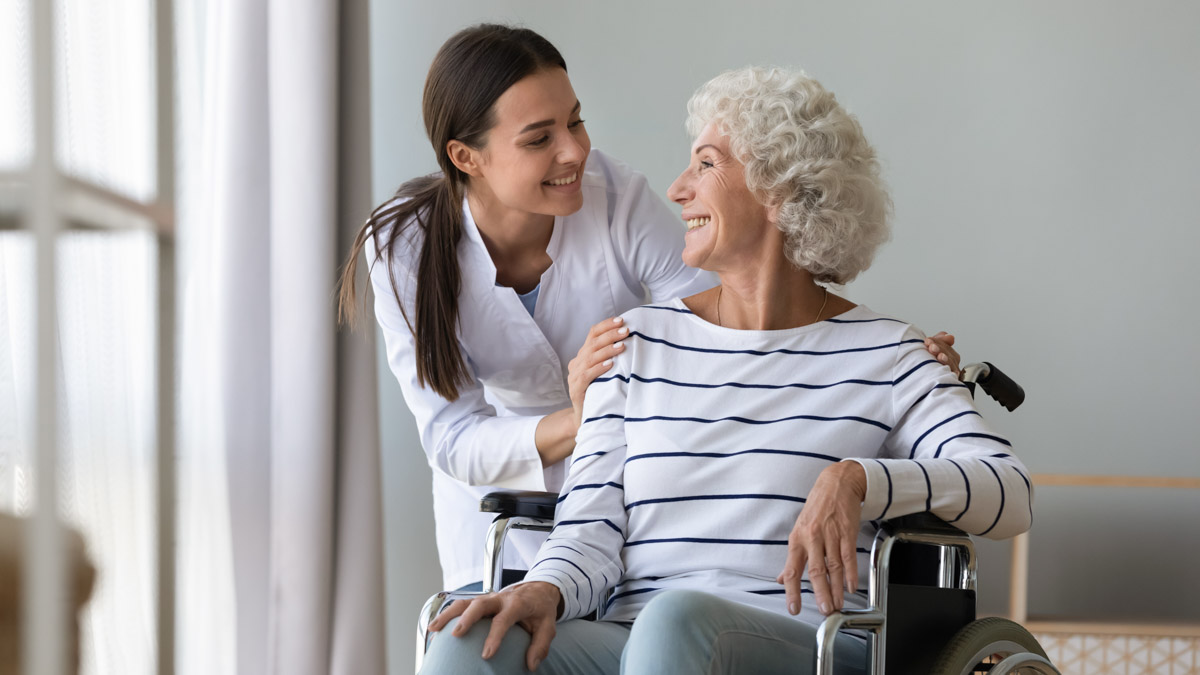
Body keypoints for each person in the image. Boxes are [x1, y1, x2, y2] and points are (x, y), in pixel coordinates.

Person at [420, 67, 1033, 675]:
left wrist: (860, 480)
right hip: (633, 638)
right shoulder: (634, 346)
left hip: (810, 645)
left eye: (706, 164)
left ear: (780, 189)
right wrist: (543, 589)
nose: (678, 188)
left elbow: (1010, 495)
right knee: (465, 639)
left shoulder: (890, 355)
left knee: (677, 622)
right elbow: (588, 533)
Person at [337, 24, 962, 593]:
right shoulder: (401, 249)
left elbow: (727, 326)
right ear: (465, 157)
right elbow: (452, 436)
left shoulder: (614, 198)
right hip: (499, 511)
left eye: (575, 123)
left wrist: (890, 365)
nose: (574, 153)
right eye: (539, 139)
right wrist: (582, 418)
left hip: (633, 499)